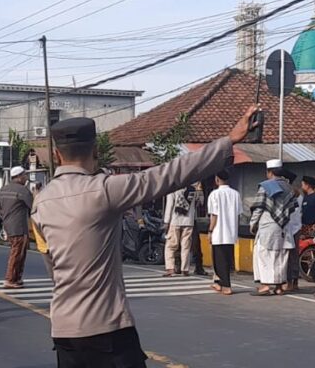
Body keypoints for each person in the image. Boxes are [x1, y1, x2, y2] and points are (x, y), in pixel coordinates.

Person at [31, 106, 253, 368]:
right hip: (107, 328)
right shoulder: (105, 190)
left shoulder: (40, 203)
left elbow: (52, 265)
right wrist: (228, 141)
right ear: (95, 151)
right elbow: (169, 174)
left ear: (57, 154)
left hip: (64, 329)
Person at [250, 159, 298, 296]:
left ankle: (265, 286)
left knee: (264, 255)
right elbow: (292, 208)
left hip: (268, 225)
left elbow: (259, 208)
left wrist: (253, 224)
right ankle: (279, 286)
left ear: (269, 172)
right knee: (281, 257)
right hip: (284, 227)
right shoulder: (289, 187)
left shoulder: (265, 186)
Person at [207, 170, 242, 295]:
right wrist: (236, 230)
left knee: (219, 260)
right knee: (227, 258)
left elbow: (214, 215)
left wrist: (210, 230)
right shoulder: (236, 194)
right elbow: (238, 215)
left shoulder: (214, 194)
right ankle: (218, 283)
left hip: (219, 231)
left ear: (217, 179)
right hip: (231, 231)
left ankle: (226, 285)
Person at [0, 166, 33, 289]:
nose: (26, 178)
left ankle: (17, 278)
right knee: (17, 253)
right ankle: (10, 279)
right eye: (25, 175)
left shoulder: (2, 190)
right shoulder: (22, 190)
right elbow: (33, 207)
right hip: (19, 226)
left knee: (17, 252)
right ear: (19, 176)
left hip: (8, 225)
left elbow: (0, 209)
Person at [163, 183, 203, 277]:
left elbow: (169, 206)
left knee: (171, 246)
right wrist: (199, 190)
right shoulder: (193, 189)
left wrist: (166, 222)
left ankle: (170, 268)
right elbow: (200, 202)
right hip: (189, 222)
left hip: (175, 221)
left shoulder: (173, 189)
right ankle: (185, 269)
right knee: (186, 247)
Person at [281, 169, 303, 293]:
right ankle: (294, 282)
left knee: (288, 256)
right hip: (296, 227)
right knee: (294, 255)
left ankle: (289, 282)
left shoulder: (289, 193)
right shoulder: (299, 194)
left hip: (289, 227)